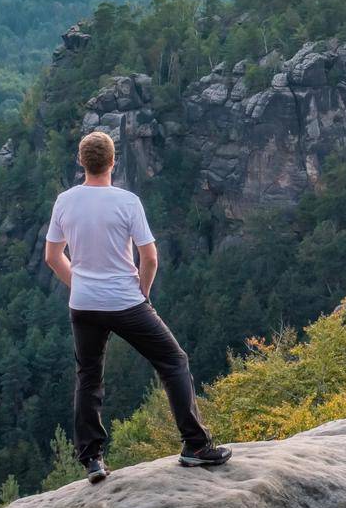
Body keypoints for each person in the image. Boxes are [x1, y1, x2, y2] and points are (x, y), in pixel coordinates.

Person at [43, 130, 230, 483]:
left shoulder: (65, 201)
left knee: (88, 377)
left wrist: (80, 284)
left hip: (83, 305)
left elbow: (53, 257)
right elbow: (150, 257)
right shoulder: (127, 202)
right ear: (113, 162)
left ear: (81, 163)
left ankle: (93, 460)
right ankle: (195, 445)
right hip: (125, 302)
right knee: (173, 362)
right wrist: (142, 293)